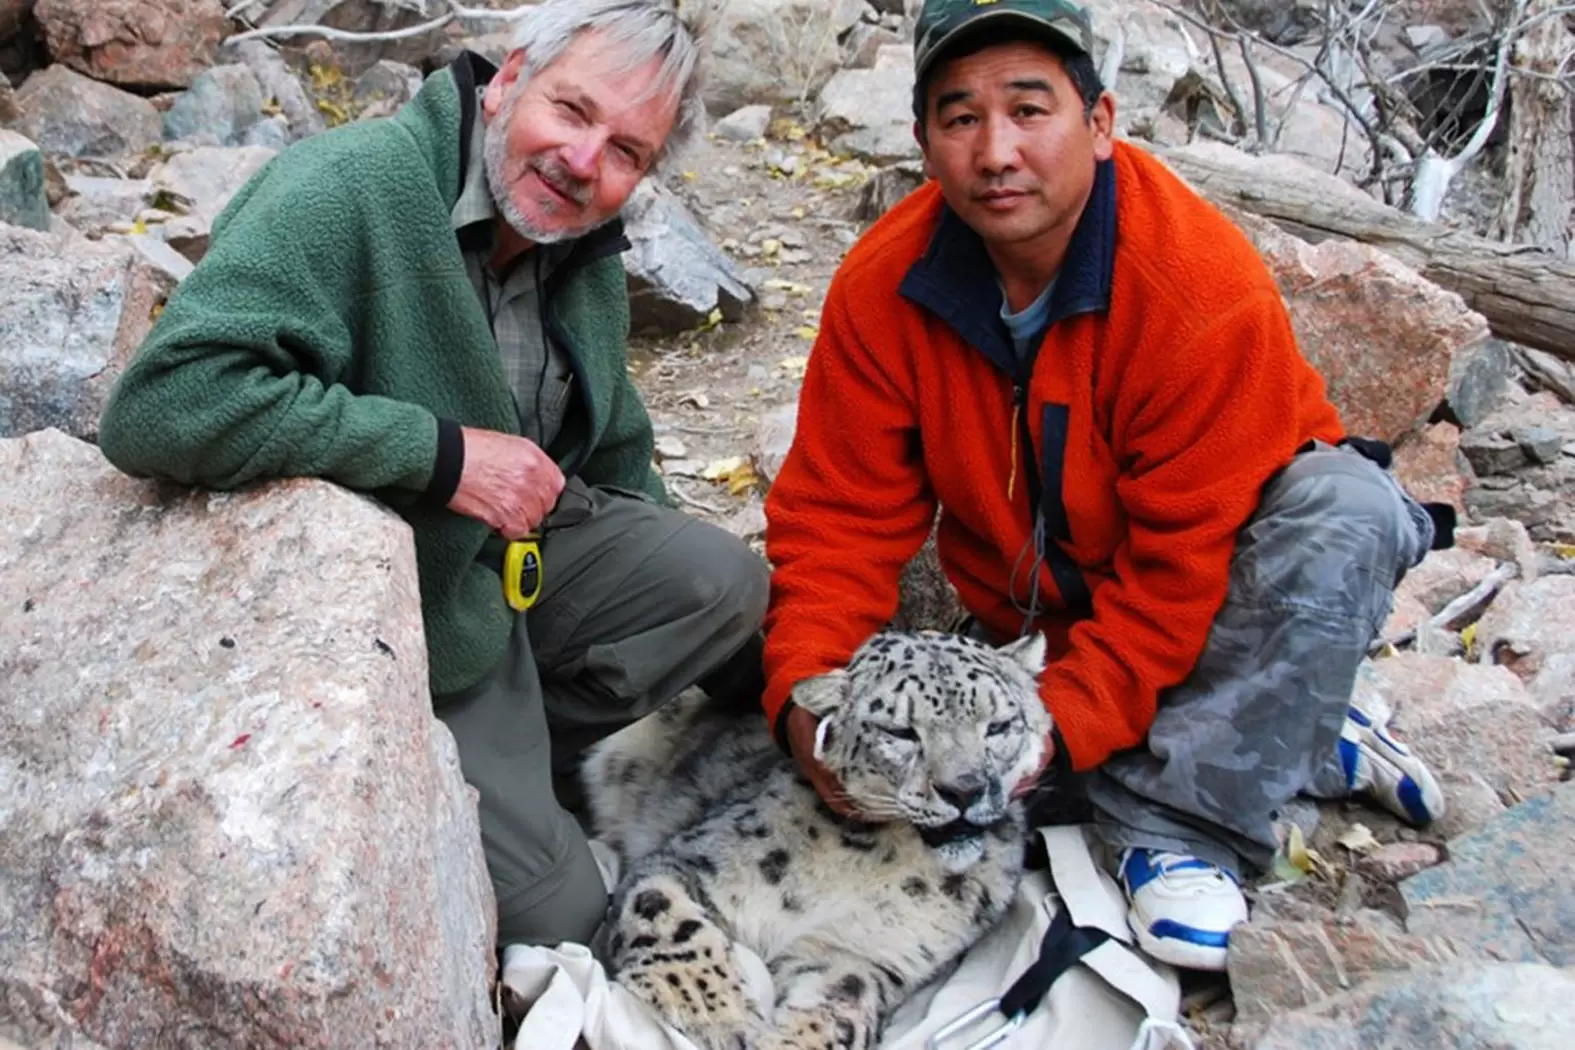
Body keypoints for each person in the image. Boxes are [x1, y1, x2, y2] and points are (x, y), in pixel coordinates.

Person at [761, 0, 1451, 972]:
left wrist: (1056, 728)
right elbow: (837, 526)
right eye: (959, 117)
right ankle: (1293, 717)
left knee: (1347, 512)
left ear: (1101, 123)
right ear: (922, 139)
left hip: (1222, 588)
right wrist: (805, 702)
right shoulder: (884, 290)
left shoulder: (1195, 284)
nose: (995, 150)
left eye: (1030, 109)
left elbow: (1178, 580)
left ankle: (1186, 822)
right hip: (1041, 610)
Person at [98, 0, 769, 950]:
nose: (584, 162)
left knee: (722, 581)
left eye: (626, 151)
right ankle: (458, 768)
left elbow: (615, 456)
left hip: (502, 581)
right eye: (571, 113)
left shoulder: (579, 250)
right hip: (388, 621)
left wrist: (758, 666)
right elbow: (162, 403)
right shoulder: (352, 187)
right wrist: (440, 454)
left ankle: (524, 754)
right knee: (563, 917)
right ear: (505, 83)